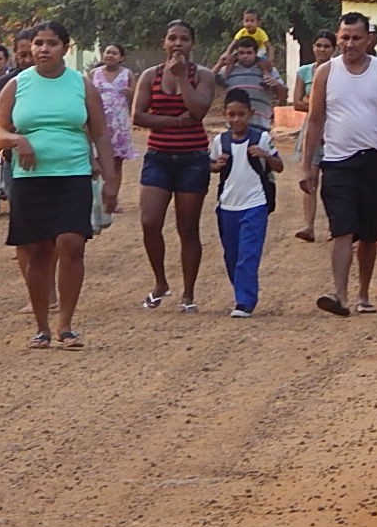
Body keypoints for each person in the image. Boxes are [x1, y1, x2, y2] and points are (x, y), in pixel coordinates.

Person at [0, 19, 117, 348]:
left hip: (72, 175)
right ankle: (41, 327)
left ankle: (66, 325)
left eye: (51, 43)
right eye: (38, 43)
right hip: (30, 180)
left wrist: (111, 181)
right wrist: (16, 140)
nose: (43, 49)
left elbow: (100, 132)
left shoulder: (81, 85)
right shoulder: (17, 85)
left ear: (65, 49)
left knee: (72, 244)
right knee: (38, 252)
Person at [301, 12, 377, 316]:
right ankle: (340, 295)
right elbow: (316, 119)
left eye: (356, 38)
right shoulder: (325, 73)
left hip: (375, 160)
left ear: (368, 39)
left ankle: (364, 294)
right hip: (337, 162)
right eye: (344, 38)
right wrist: (308, 165)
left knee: (370, 234)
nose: (349, 44)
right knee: (342, 229)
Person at [132, 20, 214, 312]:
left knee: (188, 228)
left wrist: (181, 79)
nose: (178, 44)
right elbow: (138, 117)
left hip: (192, 158)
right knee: (149, 222)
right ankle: (160, 282)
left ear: (192, 44)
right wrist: (174, 122)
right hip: (159, 157)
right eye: (172, 38)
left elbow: (199, 110)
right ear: (164, 43)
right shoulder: (149, 76)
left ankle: (188, 294)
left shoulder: (202, 75)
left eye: (184, 39)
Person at [211, 88, 283, 317]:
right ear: (225, 114)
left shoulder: (261, 138)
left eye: (241, 114)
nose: (236, 119)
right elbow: (210, 167)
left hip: (255, 203)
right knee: (231, 254)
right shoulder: (219, 141)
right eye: (231, 115)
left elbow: (279, 166)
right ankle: (241, 292)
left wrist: (265, 155)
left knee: (248, 253)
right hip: (227, 205)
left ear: (250, 114)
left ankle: (245, 301)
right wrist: (215, 165)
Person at [291, 30, 336, 243]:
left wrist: (312, 102)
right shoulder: (304, 72)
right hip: (312, 128)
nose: (322, 50)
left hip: (335, 128)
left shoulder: (338, 71)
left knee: (333, 181)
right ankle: (309, 226)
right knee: (310, 177)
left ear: (333, 49)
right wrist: (316, 104)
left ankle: (333, 226)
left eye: (326, 46)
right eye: (319, 45)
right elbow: (297, 103)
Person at [90, 43, 136, 207]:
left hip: (119, 125)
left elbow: (135, 99)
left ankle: (112, 199)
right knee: (99, 160)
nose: (110, 55)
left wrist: (130, 93)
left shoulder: (127, 74)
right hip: (99, 123)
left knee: (116, 163)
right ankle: (101, 197)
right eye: (108, 52)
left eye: (114, 53)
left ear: (121, 58)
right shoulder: (94, 74)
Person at [215, 36, 285, 130]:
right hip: (234, 128)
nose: (245, 56)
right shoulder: (227, 71)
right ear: (236, 54)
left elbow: (284, 96)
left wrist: (276, 84)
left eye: (249, 53)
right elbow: (206, 81)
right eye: (241, 53)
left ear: (256, 53)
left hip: (261, 126)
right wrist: (219, 64)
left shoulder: (269, 70)